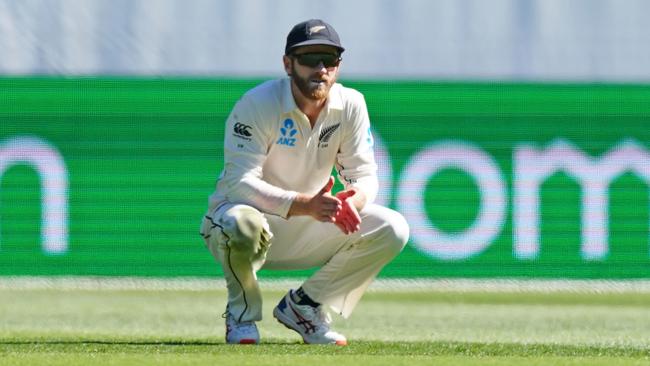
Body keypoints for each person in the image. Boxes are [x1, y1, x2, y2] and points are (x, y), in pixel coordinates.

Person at [199, 19, 409, 346]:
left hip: (307, 227)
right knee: (239, 223)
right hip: (246, 228)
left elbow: (365, 175)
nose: (321, 68)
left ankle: (305, 307)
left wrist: (352, 202)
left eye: (330, 59)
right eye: (310, 58)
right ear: (288, 64)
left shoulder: (351, 104)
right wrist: (304, 204)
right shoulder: (258, 104)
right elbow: (240, 184)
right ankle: (241, 315)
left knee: (392, 228)